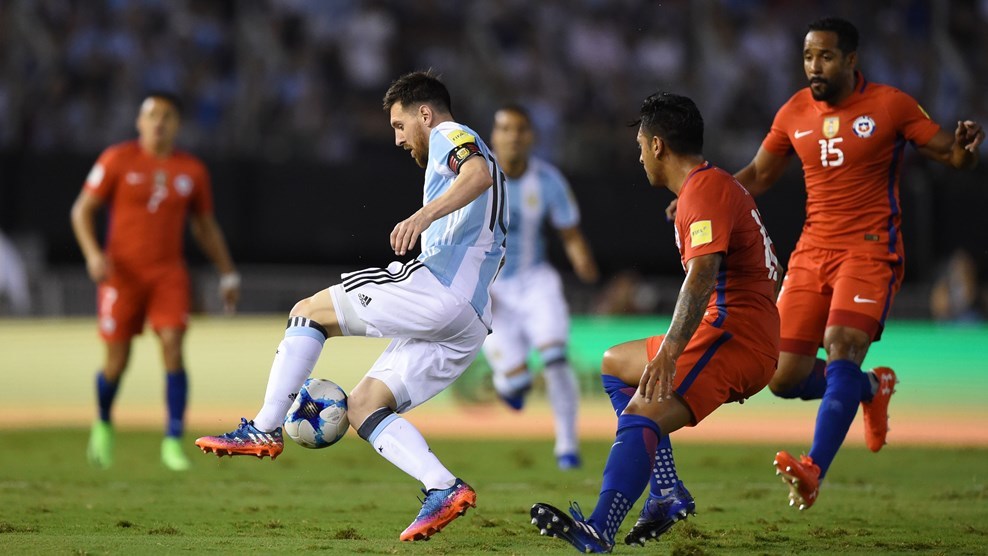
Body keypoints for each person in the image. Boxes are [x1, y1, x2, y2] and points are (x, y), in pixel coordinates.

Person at [194, 70, 507, 542]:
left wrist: (423, 215)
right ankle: (442, 485)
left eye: (401, 126)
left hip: (440, 289)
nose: (399, 139)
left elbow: (476, 174)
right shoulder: (471, 152)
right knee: (364, 407)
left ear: (424, 113)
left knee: (309, 311)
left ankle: (264, 428)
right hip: (470, 320)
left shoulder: (448, 133)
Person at [713, 16, 982, 511]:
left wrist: (966, 152)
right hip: (813, 250)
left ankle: (813, 468)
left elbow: (951, 154)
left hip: (870, 247)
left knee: (841, 346)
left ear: (851, 60)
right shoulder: (794, 110)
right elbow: (759, 173)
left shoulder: (890, 105)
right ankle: (870, 388)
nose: (815, 67)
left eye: (826, 57)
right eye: (808, 57)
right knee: (782, 376)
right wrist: (709, 195)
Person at [530, 92, 781, 552]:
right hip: (739, 332)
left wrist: (672, 349)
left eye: (642, 144)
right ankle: (666, 492)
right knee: (614, 364)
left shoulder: (703, 192)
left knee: (641, 413)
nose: (639, 155)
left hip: (732, 335)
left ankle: (600, 529)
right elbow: (770, 269)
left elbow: (703, 275)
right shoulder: (713, 186)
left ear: (659, 145)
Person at [70, 92, 240, 472]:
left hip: (168, 274)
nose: (158, 122)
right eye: (151, 115)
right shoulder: (117, 159)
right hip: (122, 275)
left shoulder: (192, 170)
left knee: (173, 347)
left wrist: (228, 271)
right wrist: (93, 255)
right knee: (116, 362)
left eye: (166, 116)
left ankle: (172, 441)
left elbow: (204, 226)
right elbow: (82, 210)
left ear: (177, 124)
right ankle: (102, 422)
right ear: (139, 122)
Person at [483, 104, 599, 470]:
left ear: (531, 136)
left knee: (555, 357)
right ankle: (510, 384)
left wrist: (582, 259)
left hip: (535, 281)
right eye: (506, 129)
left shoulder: (547, 181)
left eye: (520, 129)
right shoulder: (477, 177)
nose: (514, 136)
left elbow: (570, 232)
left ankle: (567, 446)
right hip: (491, 290)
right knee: (516, 380)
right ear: (494, 136)